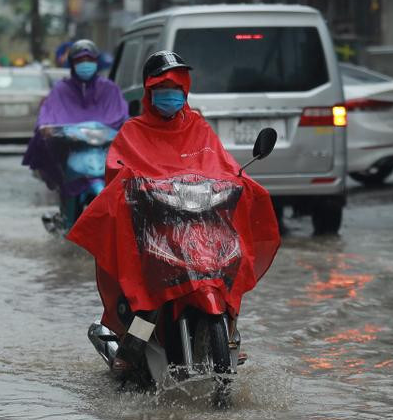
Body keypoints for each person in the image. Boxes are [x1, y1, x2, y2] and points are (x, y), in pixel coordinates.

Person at [67, 50, 281, 352]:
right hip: (156, 232)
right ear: (149, 91)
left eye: (177, 89)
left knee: (231, 264)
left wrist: (238, 181)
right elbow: (117, 173)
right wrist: (136, 188)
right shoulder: (132, 132)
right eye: (163, 90)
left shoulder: (199, 127)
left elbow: (223, 166)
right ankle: (132, 346)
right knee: (150, 295)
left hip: (203, 230)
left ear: (186, 90)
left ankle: (229, 329)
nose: (171, 95)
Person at [22, 40, 129, 190]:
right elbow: (48, 115)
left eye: (89, 60)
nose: (85, 64)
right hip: (70, 148)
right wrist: (46, 128)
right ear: (72, 63)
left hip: (103, 150)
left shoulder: (109, 88)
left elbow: (122, 115)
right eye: (80, 60)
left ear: (96, 62)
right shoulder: (61, 89)